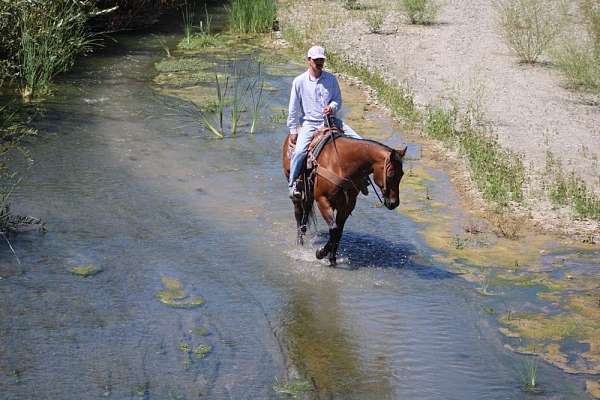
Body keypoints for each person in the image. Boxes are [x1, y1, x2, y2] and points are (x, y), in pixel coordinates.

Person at [286, 45, 364, 199]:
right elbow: (293, 108)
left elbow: (337, 99)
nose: (319, 63)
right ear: (309, 60)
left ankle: (363, 179)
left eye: (321, 60)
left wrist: (332, 107)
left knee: (360, 142)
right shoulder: (299, 82)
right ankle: (293, 183)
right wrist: (293, 130)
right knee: (300, 151)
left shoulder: (331, 79)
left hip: (331, 120)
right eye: (316, 60)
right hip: (310, 123)